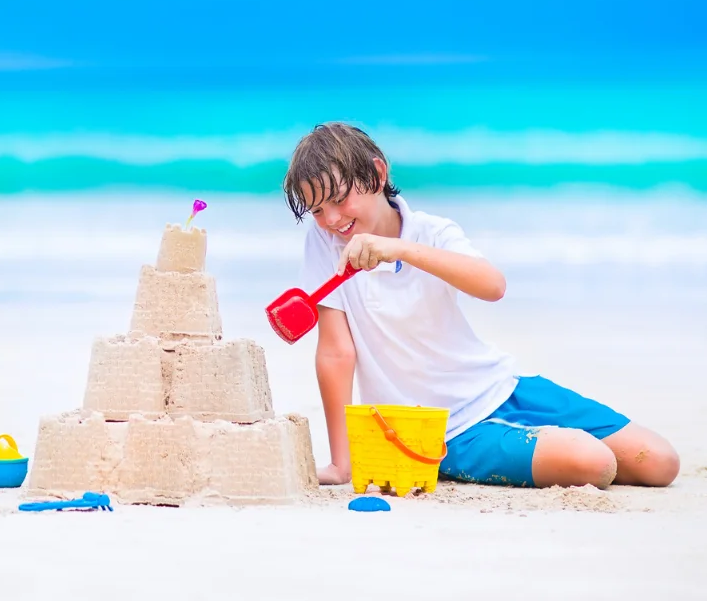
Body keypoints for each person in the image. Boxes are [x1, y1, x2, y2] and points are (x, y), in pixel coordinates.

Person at [283, 121, 679, 490]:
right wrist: (343, 462)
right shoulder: (324, 245)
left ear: (377, 174)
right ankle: (539, 446)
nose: (332, 219)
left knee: (660, 463)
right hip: (441, 430)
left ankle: (540, 441)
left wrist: (399, 249)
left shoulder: (432, 232)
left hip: (502, 388)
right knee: (594, 463)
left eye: (339, 199)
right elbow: (336, 352)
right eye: (317, 210)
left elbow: (492, 285)